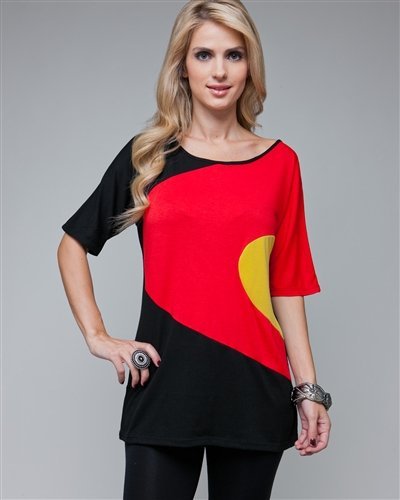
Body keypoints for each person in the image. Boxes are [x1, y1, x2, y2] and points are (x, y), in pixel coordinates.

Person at [57, 1, 332, 499]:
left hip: (254, 386)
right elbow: (73, 243)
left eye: (234, 55)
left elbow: (286, 282)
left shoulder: (280, 163)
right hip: (165, 387)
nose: (220, 71)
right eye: (204, 55)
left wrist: (308, 389)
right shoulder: (149, 156)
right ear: (182, 65)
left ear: (250, 65)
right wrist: (98, 337)